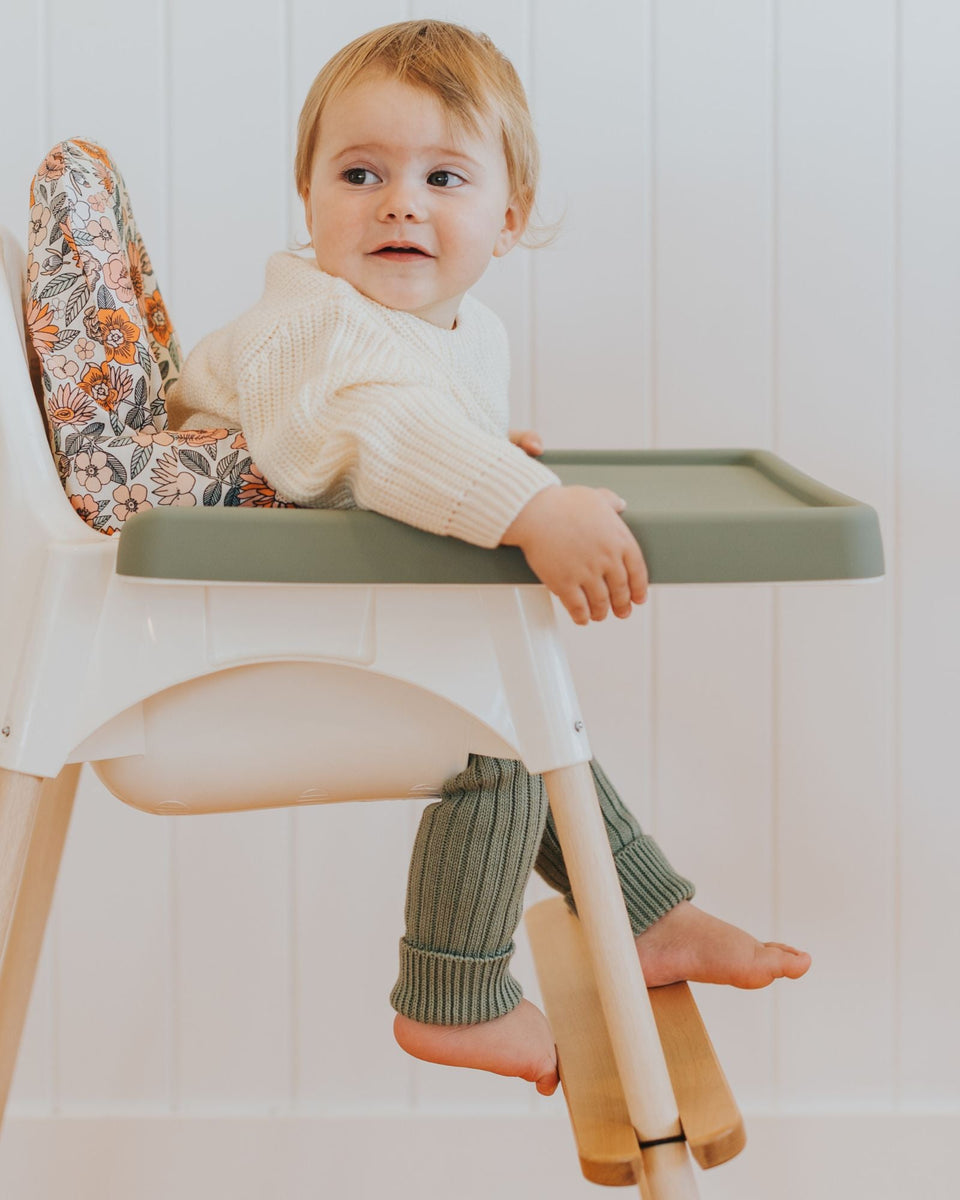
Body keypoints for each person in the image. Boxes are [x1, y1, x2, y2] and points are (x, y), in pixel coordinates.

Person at [166, 19, 810, 1096]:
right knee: (497, 727)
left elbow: (402, 426)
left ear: (508, 218)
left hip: (300, 607)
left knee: (523, 697)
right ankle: (452, 996)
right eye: (359, 174)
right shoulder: (319, 327)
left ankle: (641, 911)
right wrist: (525, 506)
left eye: (443, 177)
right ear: (308, 197)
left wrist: (476, 451)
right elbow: (372, 431)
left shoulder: (451, 328)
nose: (399, 203)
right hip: (221, 636)